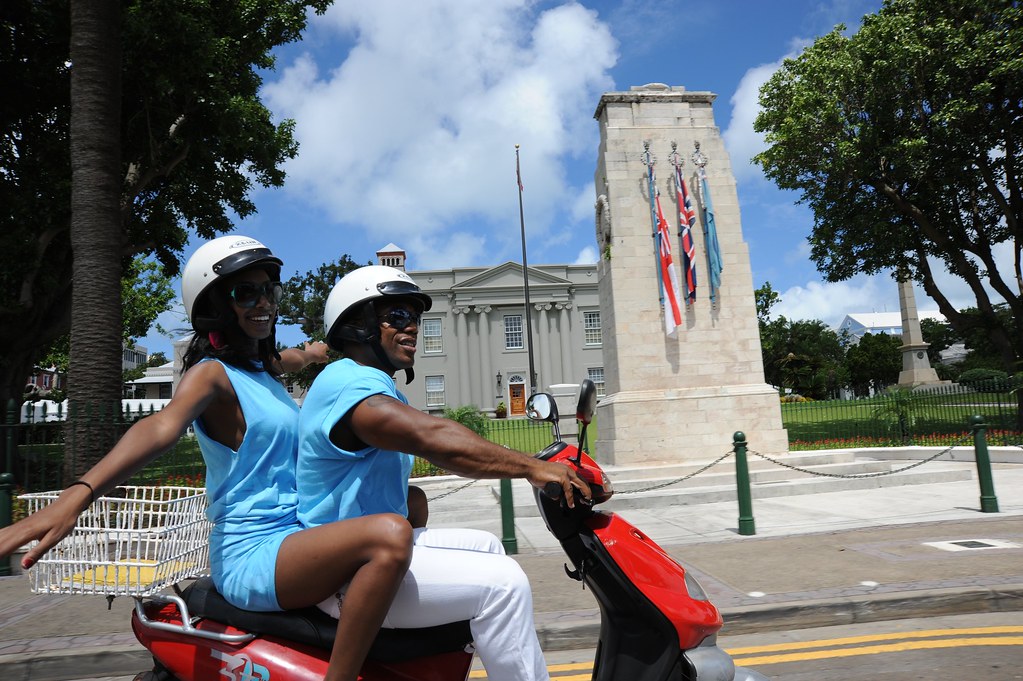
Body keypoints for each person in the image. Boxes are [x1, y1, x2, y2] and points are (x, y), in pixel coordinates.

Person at [0, 236, 412, 681]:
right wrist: (76, 497)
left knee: (415, 501)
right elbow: (159, 427)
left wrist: (313, 354)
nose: (264, 303)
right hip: (257, 550)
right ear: (216, 304)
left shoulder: (262, 370)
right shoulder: (211, 375)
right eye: (245, 293)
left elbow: (287, 359)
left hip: (296, 537)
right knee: (389, 534)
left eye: (269, 291)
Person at [296, 265, 592, 681]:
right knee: (503, 585)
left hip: (365, 553)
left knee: (488, 546)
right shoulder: (349, 386)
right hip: (348, 575)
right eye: (397, 316)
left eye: (415, 318)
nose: (413, 327)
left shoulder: (371, 384)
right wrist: (531, 467)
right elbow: (434, 437)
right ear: (358, 325)